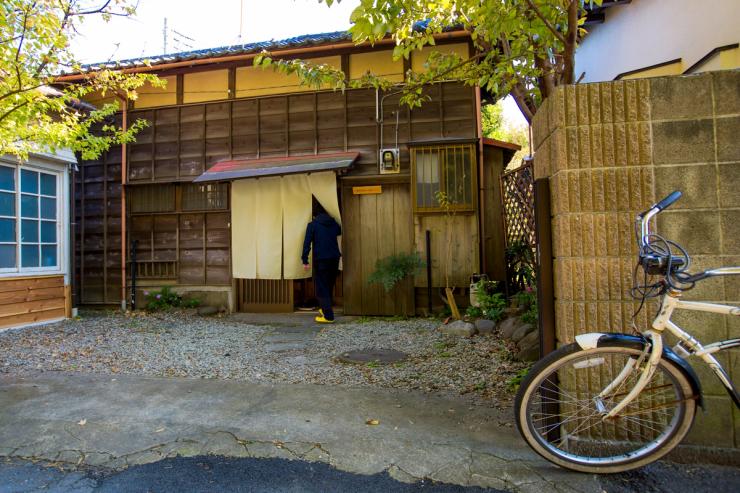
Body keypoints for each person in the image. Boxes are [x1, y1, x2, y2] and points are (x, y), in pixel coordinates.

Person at [301, 203, 341, 323]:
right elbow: (339, 231)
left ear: (314, 214)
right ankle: (325, 309)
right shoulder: (333, 223)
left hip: (322, 259)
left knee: (321, 287)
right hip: (334, 258)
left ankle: (328, 316)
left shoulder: (313, 225)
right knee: (328, 285)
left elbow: (307, 243)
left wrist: (305, 260)